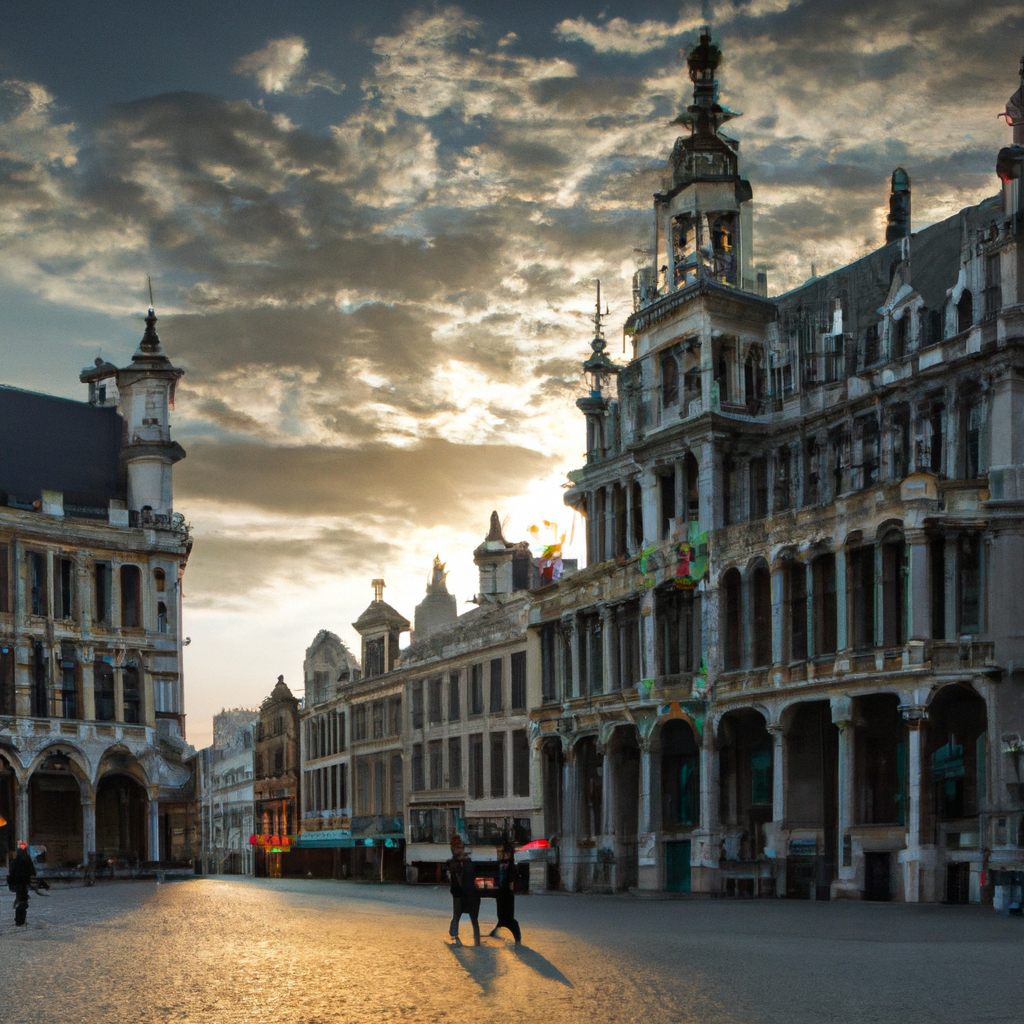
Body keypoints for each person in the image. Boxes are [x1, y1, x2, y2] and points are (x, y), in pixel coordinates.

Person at [447, 834, 480, 946]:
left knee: (458, 915)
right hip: (467, 893)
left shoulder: (459, 861)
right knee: (471, 918)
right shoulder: (463, 861)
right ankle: (475, 939)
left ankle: (455, 935)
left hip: (462, 893)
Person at [488, 841, 521, 944]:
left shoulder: (509, 867)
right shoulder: (502, 866)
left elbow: (511, 883)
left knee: (508, 918)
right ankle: (499, 929)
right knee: (502, 916)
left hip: (506, 894)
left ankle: (517, 938)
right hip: (502, 893)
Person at [8, 841, 36, 927]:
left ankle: (19, 920)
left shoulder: (16, 860)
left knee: (21, 901)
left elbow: (12, 872)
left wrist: (12, 883)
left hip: (18, 884)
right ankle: (20, 921)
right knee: (23, 902)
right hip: (23, 884)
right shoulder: (27, 859)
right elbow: (33, 872)